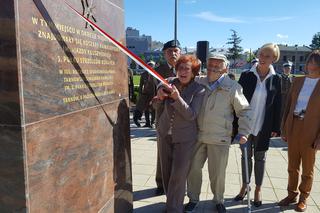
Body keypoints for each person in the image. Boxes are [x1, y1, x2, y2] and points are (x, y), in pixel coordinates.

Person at [185, 53, 252, 213]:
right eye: (210, 65)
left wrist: (244, 132)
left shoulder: (233, 87)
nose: (212, 69)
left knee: (217, 173)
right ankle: (193, 199)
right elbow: (178, 81)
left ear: (225, 69)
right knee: (193, 169)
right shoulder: (199, 81)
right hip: (198, 136)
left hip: (220, 138)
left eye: (217, 66)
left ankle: (218, 200)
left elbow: (244, 111)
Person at [154, 55, 205, 213]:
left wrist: (177, 98)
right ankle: (172, 202)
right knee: (167, 173)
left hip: (185, 138)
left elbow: (191, 115)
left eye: (187, 69)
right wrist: (160, 95)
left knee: (179, 174)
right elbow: (156, 102)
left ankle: (174, 209)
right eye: (180, 68)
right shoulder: (169, 82)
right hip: (164, 134)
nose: (182, 72)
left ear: (193, 72)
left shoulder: (199, 89)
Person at [234, 43, 282, 207]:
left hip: (264, 125)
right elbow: (236, 101)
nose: (263, 58)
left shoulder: (276, 79)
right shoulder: (247, 75)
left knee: (260, 158)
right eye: (261, 54)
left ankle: (258, 189)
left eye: (267, 56)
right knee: (245, 157)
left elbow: (278, 105)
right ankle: (245, 186)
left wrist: (277, 127)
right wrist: (235, 126)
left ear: (274, 59)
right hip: (245, 126)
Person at [278, 50, 320, 212]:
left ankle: (303, 198)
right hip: (294, 125)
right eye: (310, 62)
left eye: (316, 63)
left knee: (308, 168)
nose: (312, 65)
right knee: (292, 166)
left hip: (311, 129)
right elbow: (288, 105)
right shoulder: (298, 81)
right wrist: (284, 128)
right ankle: (291, 194)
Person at [152, 40, 182, 195]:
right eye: (169, 51)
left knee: (181, 155)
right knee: (162, 153)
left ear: (181, 52)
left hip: (183, 119)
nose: (173, 53)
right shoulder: (157, 71)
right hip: (163, 117)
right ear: (164, 54)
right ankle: (161, 183)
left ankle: (178, 184)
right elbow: (149, 93)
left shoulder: (187, 69)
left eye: (176, 50)